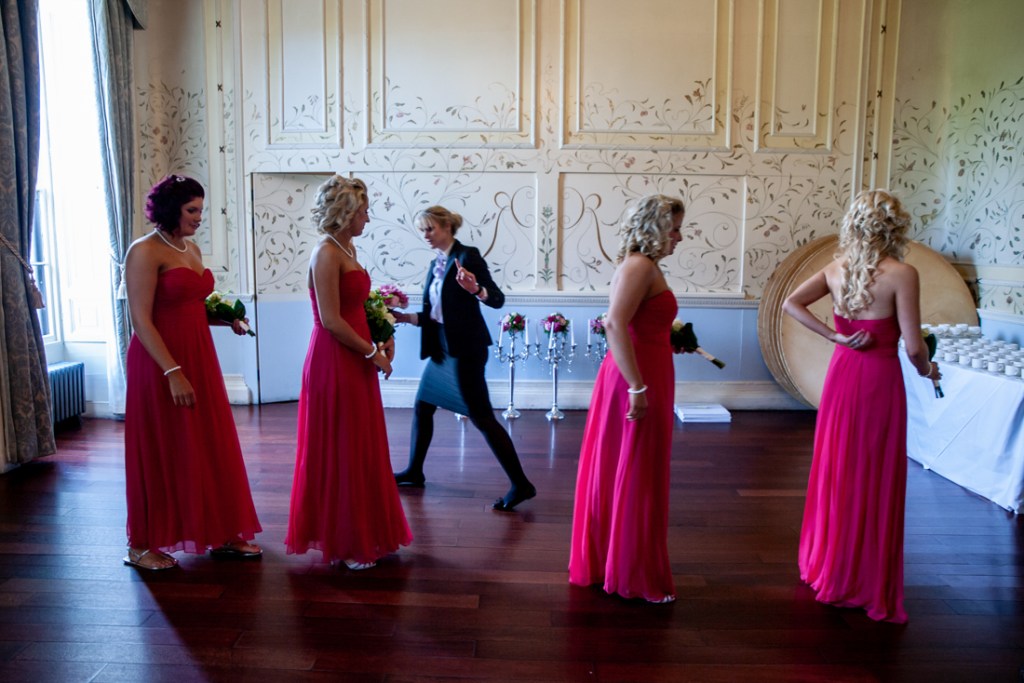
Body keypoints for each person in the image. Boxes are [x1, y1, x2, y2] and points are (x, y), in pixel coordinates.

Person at [782, 188, 940, 624]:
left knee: (839, 468)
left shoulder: (837, 268)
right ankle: (863, 575)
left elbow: (790, 303)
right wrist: (929, 370)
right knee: (872, 471)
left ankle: (828, 565)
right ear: (895, 227)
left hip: (843, 376)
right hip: (879, 382)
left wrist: (833, 336)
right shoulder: (902, 274)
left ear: (853, 224)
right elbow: (912, 347)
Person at [123, 174, 262, 571]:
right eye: (192, 210)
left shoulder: (190, 248)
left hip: (199, 355)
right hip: (160, 361)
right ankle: (141, 544)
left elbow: (189, 304)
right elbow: (141, 319)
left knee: (207, 442)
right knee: (163, 446)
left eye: (200, 209)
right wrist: (173, 371)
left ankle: (219, 530)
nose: (199, 217)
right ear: (170, 209)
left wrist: (225, 321)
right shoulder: (144, 251)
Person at [285, 175, 412, 570]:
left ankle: (366, 530)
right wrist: (372, 351)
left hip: (357, 356)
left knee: (361, 445)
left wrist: (381, 335)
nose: (367, 218)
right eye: (362, 211)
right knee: (341, 448)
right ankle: (345, 541)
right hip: (334, 359)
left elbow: (357, 307)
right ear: (344, 213)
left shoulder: (347, 246)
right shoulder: (325, 252)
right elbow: (330, 320)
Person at [568, 194, 685, 604]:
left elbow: (637, 322)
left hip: (647, 368)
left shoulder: (644, 266)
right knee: (637, 469)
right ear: (655, 228)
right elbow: (614, 323)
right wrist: (637, 386)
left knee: (636, 466)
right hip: (635, 376)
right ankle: (633, 571)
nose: (680, 237)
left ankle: (617, 559)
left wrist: (670, 337)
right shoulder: (640, 266)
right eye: (674, 229)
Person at [392, 206, 536, 511]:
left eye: (430, 228)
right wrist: (404, 317)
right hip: (442, 348)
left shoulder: (468, 256)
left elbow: (496, 299)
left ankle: (521, 484)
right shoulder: (436, 264)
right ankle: (414, 472)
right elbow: (436, 315)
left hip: (466, 351)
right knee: (422, 406)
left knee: (482, 418)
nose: (426, 235)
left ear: (446, 226)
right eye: (423, 230)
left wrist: (477, 289)